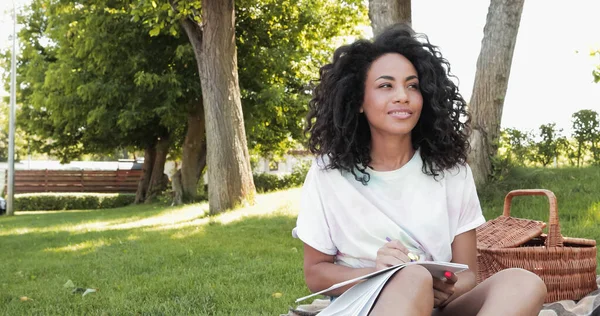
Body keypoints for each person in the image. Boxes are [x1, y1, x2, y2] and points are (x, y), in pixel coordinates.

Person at [292, 24, 547, 316]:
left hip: (438, 305)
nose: (402, 95)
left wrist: (446, 286)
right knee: (411, 277)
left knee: (523, 283)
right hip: (362, 306)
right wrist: (379, 274)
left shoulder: (451, 170)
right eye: (386, 85)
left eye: (412, 85)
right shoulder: (329, 172)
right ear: (358, 100)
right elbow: (315, 274)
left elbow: (468, 275)